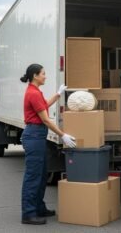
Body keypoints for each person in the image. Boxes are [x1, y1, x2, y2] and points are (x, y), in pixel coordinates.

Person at [20, 64, 76, 225]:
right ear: (35, 76)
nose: (45, 76)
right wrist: (62, 134)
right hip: (34, 135)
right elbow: (45, 119)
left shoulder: (35, 91)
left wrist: (58, 94)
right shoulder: (33, 93)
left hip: (38, 135)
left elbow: (44, 106)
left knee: (43, 173)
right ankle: (28, 213)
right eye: (43, 74)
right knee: (33, 176)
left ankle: (39, 207)